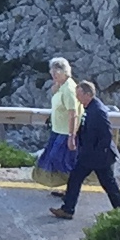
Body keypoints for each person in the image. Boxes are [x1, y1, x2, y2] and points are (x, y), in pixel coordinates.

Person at [54, 78, 120, 220]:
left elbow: (106, 135)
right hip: (91, 155)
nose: (77, 98)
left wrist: (96, 154)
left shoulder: (98, 111)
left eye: (79, 94)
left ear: (88, 94)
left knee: (106, 183)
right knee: (80, 179)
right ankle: (68, 209)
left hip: (98, 156)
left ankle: (68, 209)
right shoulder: (89, 108)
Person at [37, 56, 79, 185]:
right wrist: (56, 86)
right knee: (55, 158)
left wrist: (71, 136)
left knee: (60, 159)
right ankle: (69, 187)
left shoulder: (69, 89)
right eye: (52, 71)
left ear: (65, 72)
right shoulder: (61, 86)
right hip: (58, 130)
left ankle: (73, 185)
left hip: (66, 132)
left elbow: (73, 114)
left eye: (57, 72)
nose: (53, 74)